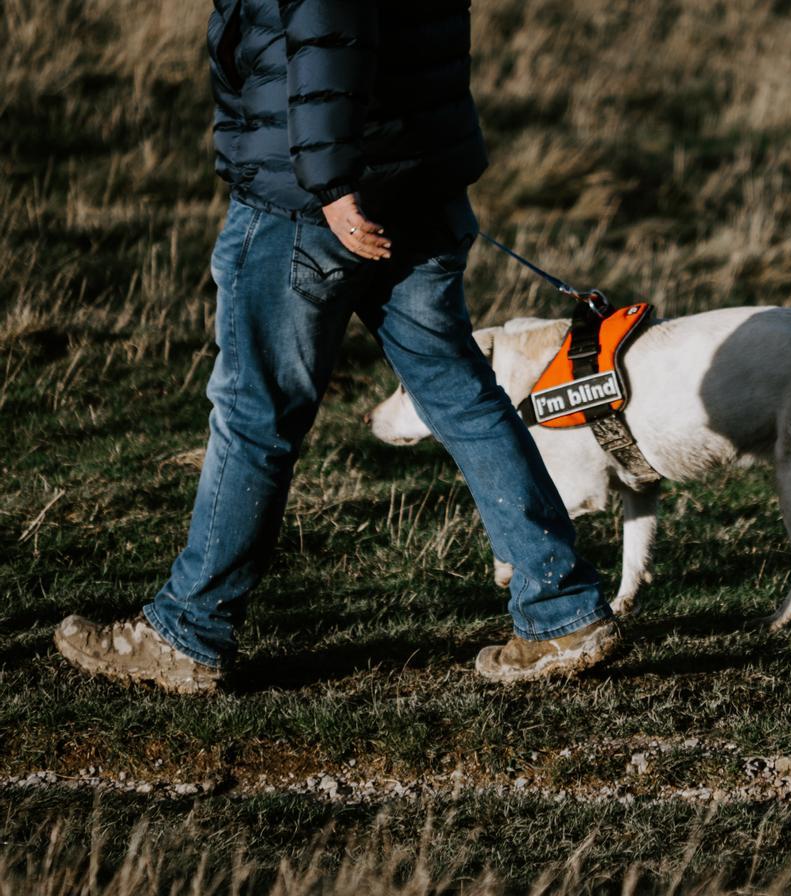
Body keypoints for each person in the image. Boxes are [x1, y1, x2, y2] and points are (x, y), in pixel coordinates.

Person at [53, 0, 618, 692]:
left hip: (313, 203)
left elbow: (330, 24)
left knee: (256, 415)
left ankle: (186, 631)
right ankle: (561, 609)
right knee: (462, 394)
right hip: (419, 183)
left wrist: (333, 184)